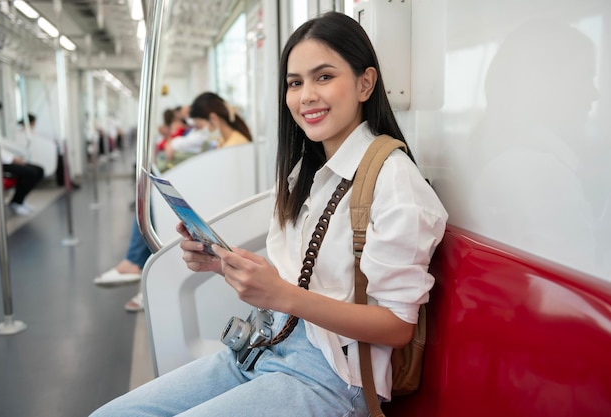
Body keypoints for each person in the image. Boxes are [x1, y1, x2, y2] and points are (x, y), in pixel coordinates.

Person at [90, 11, 447, 416]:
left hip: (332, 376)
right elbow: (294, 282)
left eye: (324, 77)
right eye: (295, 83)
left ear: (365, 83)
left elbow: (398, 327)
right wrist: (223, 264)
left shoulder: (394, 181)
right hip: (260, 347)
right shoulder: (305, 175)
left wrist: (284, 296)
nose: (306, 95)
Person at [94, 92, 252, 312]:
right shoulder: (226, 141)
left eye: (200, 126)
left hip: (222, 208)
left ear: (213, 120)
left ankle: (136, 266)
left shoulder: (235, 146)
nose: (200, 132)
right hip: (215, 199)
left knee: (156, 210)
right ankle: (138, 268)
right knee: (155, 208)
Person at [0, 134, 45, 217]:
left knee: (39, 170)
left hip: (0, 161)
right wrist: (12, 159)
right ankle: (16, 202)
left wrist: (13, 158)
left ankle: (19, 200)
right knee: (30, 173)